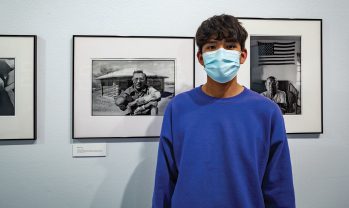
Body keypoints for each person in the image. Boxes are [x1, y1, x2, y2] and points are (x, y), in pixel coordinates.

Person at [152, 14, 295, 208]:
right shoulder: (178, 108)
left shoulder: (267, 111)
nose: (221, 53)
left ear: (242, 55)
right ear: (200, 58)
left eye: (230, 46)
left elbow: (279, 185)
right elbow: (165, 180)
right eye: (212, 46)